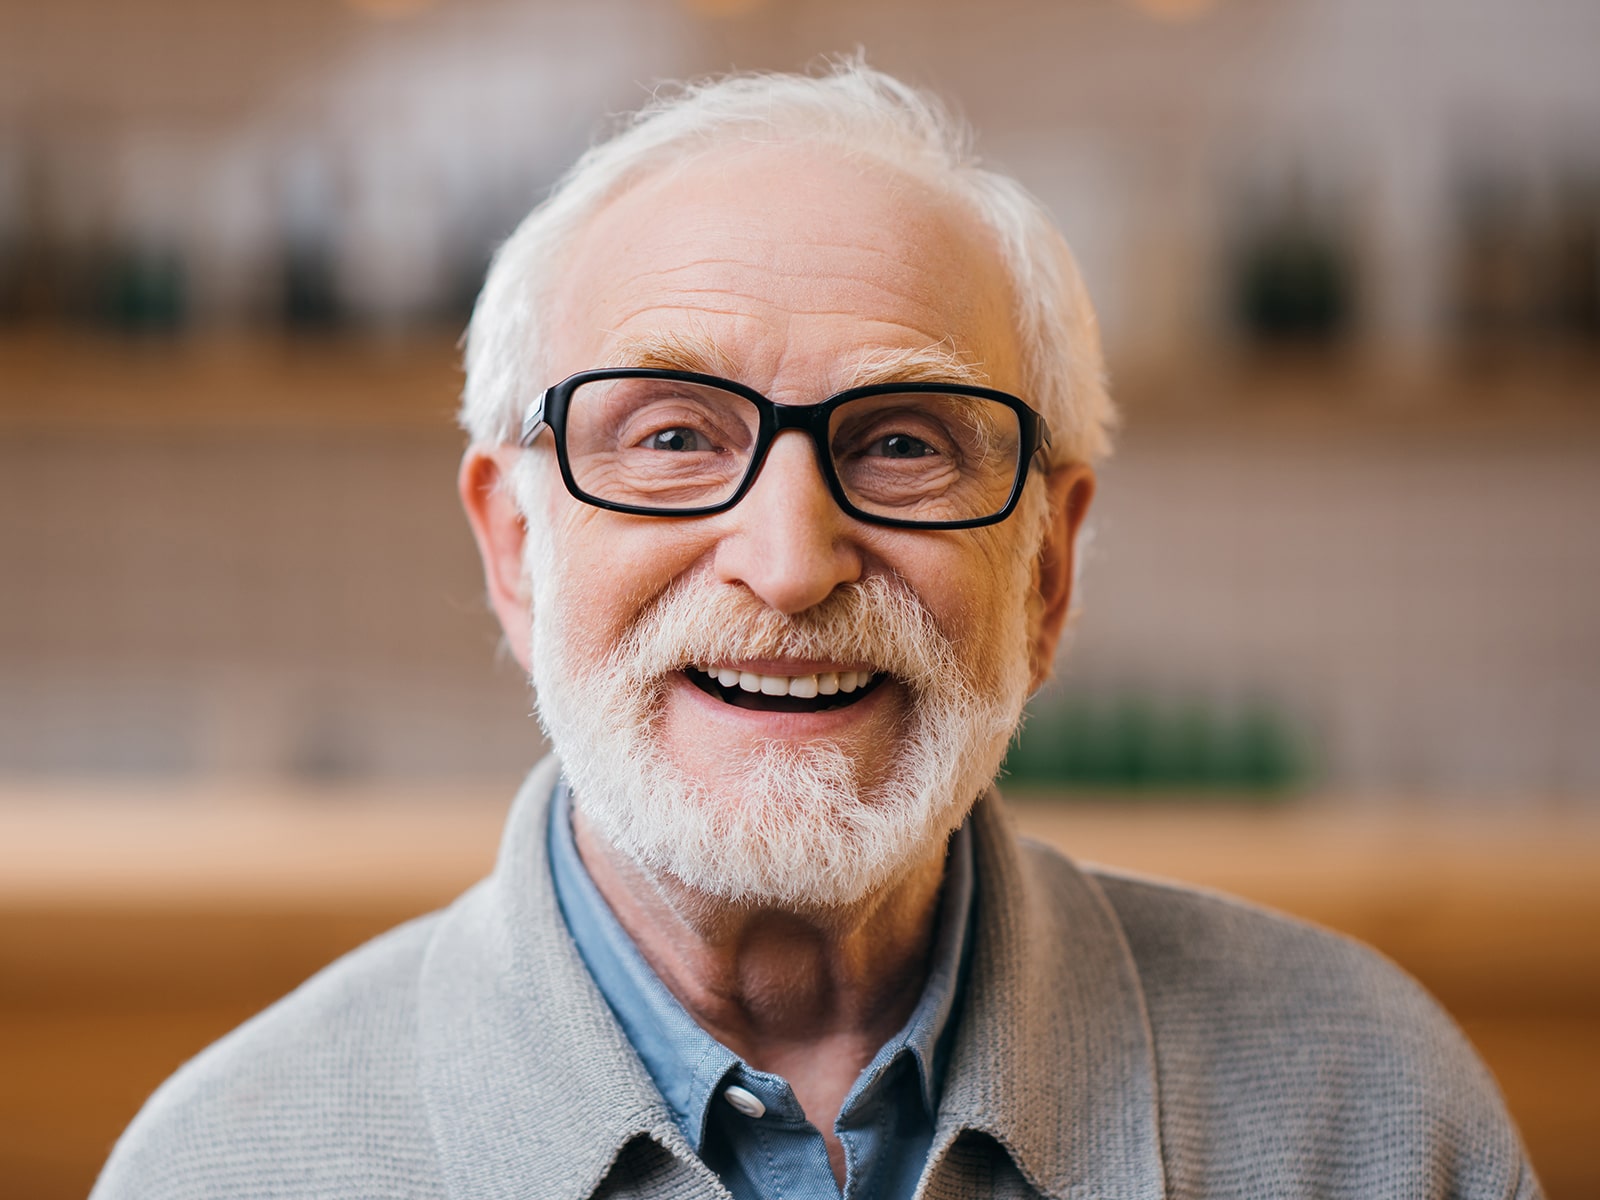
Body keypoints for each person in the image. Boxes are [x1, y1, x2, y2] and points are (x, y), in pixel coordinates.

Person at [93, 62, 1540, 1200]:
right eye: (669, 434)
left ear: (1047, 572)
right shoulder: (234, 1165)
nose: (789, 565)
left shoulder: (1371, 1123)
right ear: (517, 549)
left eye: (905, 441)